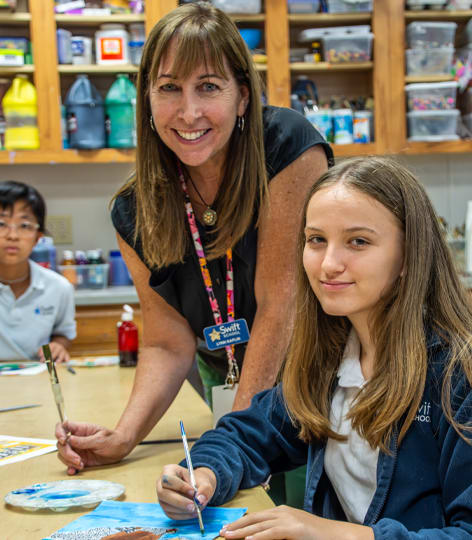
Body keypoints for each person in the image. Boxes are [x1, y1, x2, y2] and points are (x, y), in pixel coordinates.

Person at [156, 156, 472, 538]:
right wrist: (202, 474)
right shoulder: (332, 355)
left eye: (358, 242)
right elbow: (250, 434)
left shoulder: (471, 375)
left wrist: (337, 533)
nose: (328, 264)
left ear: (408, 255)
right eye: (316, 240)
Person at [55, 2, 332, 475]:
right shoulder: (134, 210)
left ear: (242, 96)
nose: (189, 112)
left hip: (322, 382)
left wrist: (232, 444)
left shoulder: (285, 147)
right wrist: (124, 437)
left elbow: (281, 303)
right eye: (169, 88)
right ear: (146, 99)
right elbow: (168, 344)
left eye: (208, 87)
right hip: (234, 389)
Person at [0, 180, 75, 363]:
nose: (12, 235)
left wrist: (58, 345)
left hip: (36, 381)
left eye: (24, 226)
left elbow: (63, 334)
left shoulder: (58, 288)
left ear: (38, 238)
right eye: (1, 223)